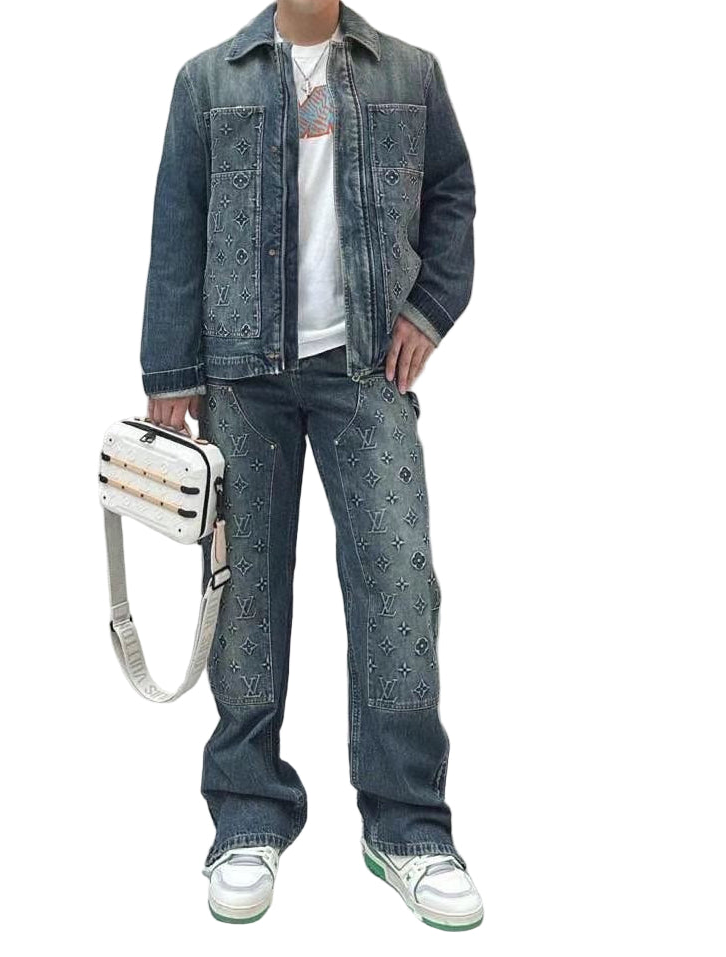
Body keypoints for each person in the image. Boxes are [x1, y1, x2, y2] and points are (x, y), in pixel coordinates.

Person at [139, 0, 480, 930]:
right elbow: (177, 225)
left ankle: (407, 826)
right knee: (245, 596)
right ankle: (247, 815)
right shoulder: (206, 81)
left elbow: (451, 194)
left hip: (366, 368)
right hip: (238, 375)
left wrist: (428, 311)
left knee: (399, 583)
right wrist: (169, 371)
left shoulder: (410, 72)